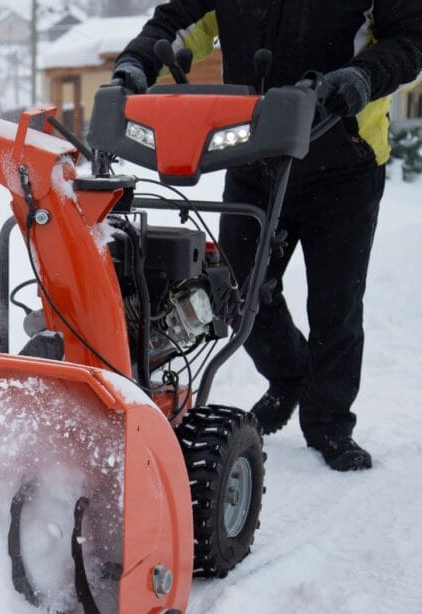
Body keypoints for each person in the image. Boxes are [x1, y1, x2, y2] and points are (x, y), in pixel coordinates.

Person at [112, 1, 422, 471]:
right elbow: (180, 24)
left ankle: (330, 425)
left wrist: (363, 76)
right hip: (253, 152)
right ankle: (288, 374)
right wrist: (138, 60)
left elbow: (411, 40)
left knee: (335, 304)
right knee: (237, 292)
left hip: (344, 159)